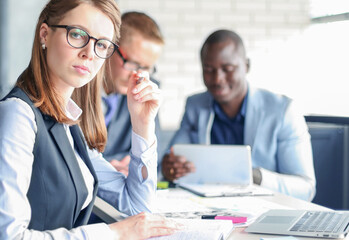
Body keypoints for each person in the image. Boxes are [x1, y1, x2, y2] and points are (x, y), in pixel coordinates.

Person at [0, 0, 179, 239]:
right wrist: (113, 233)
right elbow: (10, 236)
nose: (89, 53)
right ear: (45, 34)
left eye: (102, 44)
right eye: (77, 34)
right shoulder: (19, 115)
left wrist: (142, 124)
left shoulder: (69, 123)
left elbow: (138, 207)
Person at [161, 29, 316, 201]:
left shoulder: (282, 111)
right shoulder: (195, 106)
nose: (217, 79)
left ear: (246, 66)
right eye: (208, 69)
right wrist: (169, 168)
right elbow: (172, 157)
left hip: (265, 208)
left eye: (227, 69)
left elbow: (306, 188)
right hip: (207, 208)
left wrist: (255, 177)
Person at [102, 11, 164, 176]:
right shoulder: (78, 86)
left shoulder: (146, 88)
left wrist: (138, 162)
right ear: (109, 48)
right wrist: (104, 167)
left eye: (146, 68)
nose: (137, 75)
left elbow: (154, 154)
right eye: (133, 63)